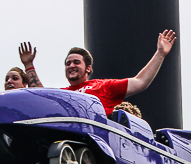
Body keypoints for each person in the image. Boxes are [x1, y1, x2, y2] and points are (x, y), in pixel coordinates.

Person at [16, 30, 177, 115]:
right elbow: (41, 95)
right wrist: (29, 65)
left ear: (88, 68)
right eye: (68, 63)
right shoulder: (63, 94)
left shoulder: (104, 86)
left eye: (76, 62)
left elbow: (140, 82)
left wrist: (160, 54)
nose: (71, 65)